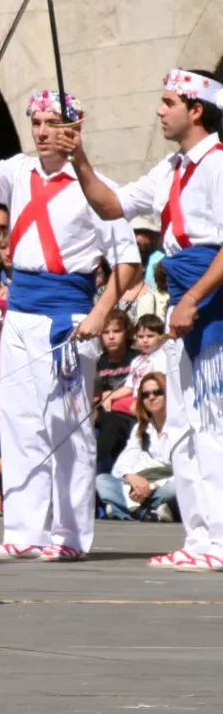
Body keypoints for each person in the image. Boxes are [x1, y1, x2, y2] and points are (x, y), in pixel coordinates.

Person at [0, 89, 141, 562]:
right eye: (35, 122)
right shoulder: (18, 171)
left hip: (70, 315)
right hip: (20, 312)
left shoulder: (96, 186)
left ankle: (70, 534)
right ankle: (23, 530)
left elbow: (126, 262)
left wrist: (100, 315)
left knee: (67, 429)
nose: (41, 132)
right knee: (19, 424)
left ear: (73, 128)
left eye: (50, 123)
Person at [61, 68, 223, 571]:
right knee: (186, 428)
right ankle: (200, 538)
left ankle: (218, 539)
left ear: (195, 109)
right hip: (186, 306)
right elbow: (112, 205)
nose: (159, 110)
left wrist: (193, 297)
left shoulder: (218, 166)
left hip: (208, 304)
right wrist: (79, 157)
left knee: (213, 425)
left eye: (168, 101)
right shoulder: (171, 168)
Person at [97, 372, 178, 521]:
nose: (151, 398)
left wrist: (152, 487)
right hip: (140, 482)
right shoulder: (141, 428)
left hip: (166, 482)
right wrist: (131, 477)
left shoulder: (180, 427)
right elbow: (122, 463)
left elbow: (182, 470)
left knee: (177, 488)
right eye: (145, 395)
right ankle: (150, 512)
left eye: (157, 392)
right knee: (102, 480)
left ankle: (127, 511)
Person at [93, 308, 139, 471]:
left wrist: (112, 395)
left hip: (132, 411)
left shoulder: (137, 358)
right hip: (107, 415)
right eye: (106, 332)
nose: (111, 336)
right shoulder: (98, 363)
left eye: (117, 331)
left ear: (126, 332)